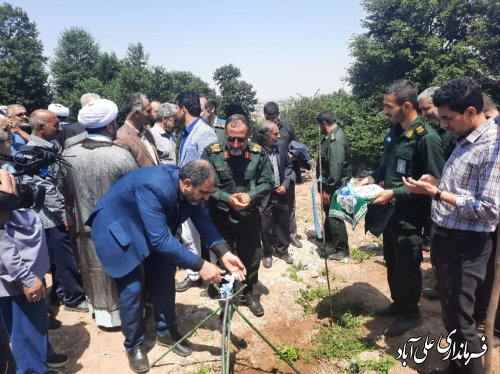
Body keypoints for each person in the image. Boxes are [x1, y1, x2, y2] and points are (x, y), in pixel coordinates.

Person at [87, 159, 245, 373]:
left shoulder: (191, 192)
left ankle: (166, 332)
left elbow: (203, 221)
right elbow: (160, 240)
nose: (207, 198)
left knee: (164, 277)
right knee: (132, 289)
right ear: (187, 183)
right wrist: (200, 265)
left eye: (209, 193)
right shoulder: (154, 186)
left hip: (152, 228)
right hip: (118, 227)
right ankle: (134, 346)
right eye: (204, 193)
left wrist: (224, 253)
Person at [403, 77, 499, 374]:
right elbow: (463, 187)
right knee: (451, 313)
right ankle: (456, 368)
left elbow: (490, 208)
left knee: (462, 319)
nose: (443, 125)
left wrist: (439, 194)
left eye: (447, 118)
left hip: (466, 246)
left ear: (471, 111)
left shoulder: (492, 147)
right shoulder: (463, 139)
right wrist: (436, 183)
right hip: (447, 239)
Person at [358, 79, 446, 337]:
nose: (384, 111)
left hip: (410, 216)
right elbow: (384, 168)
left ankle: (411, 313)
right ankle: (399, 303)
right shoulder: (393, 133)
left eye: (388, 107)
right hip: (389, 213)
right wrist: (367, 180)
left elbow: (436, 181)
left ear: (406, 106)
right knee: (393, 261)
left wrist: (394, 192)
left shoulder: (427, 138)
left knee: (408, 264)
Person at [62, 99, 138, 328]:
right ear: (109, 126)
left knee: (93, 270)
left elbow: (64, 193)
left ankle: (101, 314)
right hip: (118, 229)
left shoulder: (68, 155)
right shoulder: (120, 156)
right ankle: (122, 316)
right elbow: (135, 195)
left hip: (83, 226)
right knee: (119, 273)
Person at [202, 114, 274, 317]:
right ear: (225, 134)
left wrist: (249, 196)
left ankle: (248, 294)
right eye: (231, 138)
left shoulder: (258, 154)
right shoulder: (211, 153)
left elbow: (268, 182)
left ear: (248, 136)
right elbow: (205, 184)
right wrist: (227, 198)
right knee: (224, 259)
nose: (235, 143)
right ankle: (227, 297)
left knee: (251, 257)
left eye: (241, 139)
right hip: (221, 217)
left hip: (248, 217)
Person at [25, 110, 88, 312]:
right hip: (50, 217)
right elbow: (46, 189)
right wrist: (63, 216)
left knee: (58, 258)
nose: (60, 128)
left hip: (54, 213)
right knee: (64, 258)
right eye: (55, 125)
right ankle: (73, 298)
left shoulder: (49, 147)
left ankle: (59, 294)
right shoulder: (33, 153)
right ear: (42, 127)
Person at [175, 92, 218, 292]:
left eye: (176, 108)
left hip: (201, 196)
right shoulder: (186, 133)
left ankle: (216, 279)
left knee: (209, 236)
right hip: (188, 196)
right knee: (189, 237)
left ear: (182, 109)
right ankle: (195, 274)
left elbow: (211, 167)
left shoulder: (205, 132)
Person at [418, 86, 456, 301]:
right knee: (438, 243)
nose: (425, 114)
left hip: (450, 196)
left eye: (427, 108)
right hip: (438, 192)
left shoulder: (452, 132)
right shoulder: (438, 131)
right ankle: (442, 284)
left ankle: (449, 288)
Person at [256, 120, 294, 268]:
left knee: (283, 222)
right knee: (264, 226)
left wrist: (285, 184)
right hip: (264, 195)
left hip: (281, 192)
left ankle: (283, 250)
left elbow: (288, 166)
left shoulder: (282, 146)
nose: (279, 136)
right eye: (275, 134)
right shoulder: (256, 150)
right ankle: (267, 253)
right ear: (265, 135)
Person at [316, 111, 352, 261]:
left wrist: (328, 190)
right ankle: (329, 240)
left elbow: (335, 167)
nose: (319, 128)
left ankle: (342, 250)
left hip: (334, 185)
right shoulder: (333, 136)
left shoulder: (335, 140)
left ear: (324, 124)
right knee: (329, 213)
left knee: (335, 215)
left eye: (319, 125)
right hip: (330, 183)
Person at [115, 92, 159, 167]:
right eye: (148, 111)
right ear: (137, 113)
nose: (151, 114)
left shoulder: (147, 131)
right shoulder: (121, 138)